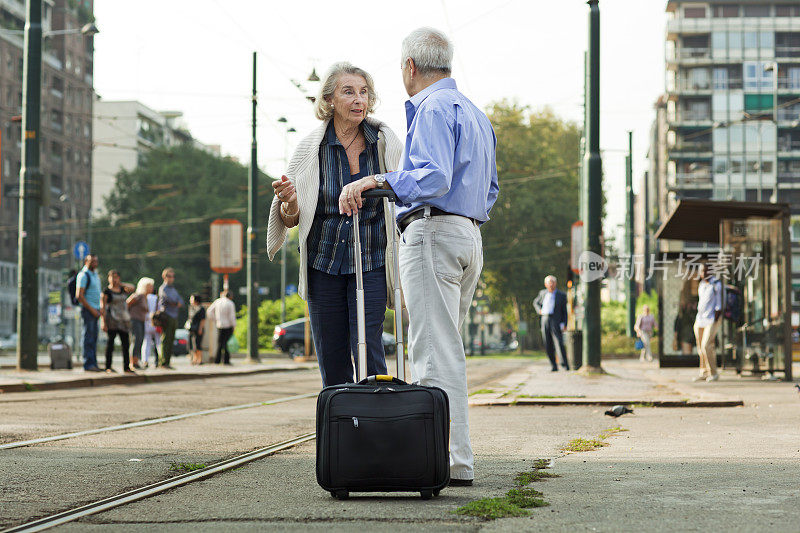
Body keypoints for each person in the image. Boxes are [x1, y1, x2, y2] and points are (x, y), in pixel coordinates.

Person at [337, 28, 499, 487]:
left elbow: (432, 176)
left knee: (433, 354)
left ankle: (443, 462)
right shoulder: (475, 114)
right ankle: (454, 458)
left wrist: (372, 182)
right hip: (469, 237)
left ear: (410, 67)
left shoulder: (430, 109)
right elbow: (491, 188)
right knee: (448, 349)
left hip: (433, 233)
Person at [266, 61, 403, 387]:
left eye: (364, 92)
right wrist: (290, 202)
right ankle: (343, 424)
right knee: (331, 352)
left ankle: (376, 418)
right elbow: (293, 218)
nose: (359, 100)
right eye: (349, 92)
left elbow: (405, 183)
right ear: (329, 100)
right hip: (322, 264)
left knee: (368, 345)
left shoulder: (383, 140)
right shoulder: (311, 147)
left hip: (370, 260)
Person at [101, 270, 135, 373]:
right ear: (108, 278)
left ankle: (126, 366)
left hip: (124, 319)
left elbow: (133, 288)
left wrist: (121, 284)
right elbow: (103, 307)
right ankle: (108, 366)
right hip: (112, 320)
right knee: (110, 343)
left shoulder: (123, 289)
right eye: (112, 277)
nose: (114, 279)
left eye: (116, 277)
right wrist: (103, 322)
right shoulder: (106, 291)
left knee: (125, 344)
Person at [533, 275, 569, 371]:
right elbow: (535, 302)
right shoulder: (542, 293)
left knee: (559, 343)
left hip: (556, 320)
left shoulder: (561, 295)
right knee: (547, 343)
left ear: (555, 283)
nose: (551, 284)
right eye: (549, 282)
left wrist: (564, 323)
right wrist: (539, 310)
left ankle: (564, 364)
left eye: (553, 282)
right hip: (545, 319)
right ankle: (553, 365)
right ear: (546, 284)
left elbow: (565, 311)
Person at [693, 262, 722, 382]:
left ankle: (714, 373)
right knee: (700, 347)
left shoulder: (716, 284)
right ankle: (704, 372)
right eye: (701, 271)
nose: (704, 273)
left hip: (711, 319)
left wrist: (715, 319)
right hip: (700, 319)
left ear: (711, 271)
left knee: (707, 345)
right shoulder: (701, 285)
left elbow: (719, 305)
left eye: (706, 271)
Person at [75, 254, 103, 372]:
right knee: (88, 337)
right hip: (88, 310)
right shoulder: (83, 275)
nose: (95, 263)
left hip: (96, 310)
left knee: (94, 337)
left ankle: (93, 363)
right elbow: (79, 296)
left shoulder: (95, 275)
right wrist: (92, 309)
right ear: (86, 262)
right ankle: (88, 364)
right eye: (92, 261)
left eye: (96, 261)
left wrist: (99, 308)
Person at [158, 267, 183, 369]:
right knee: (166, 339)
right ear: (164, 277)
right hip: (167, 315)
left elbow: (180, 301)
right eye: (169, 276)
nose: (171, 278)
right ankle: (163, 362)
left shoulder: (173, 289)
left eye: (172, 276)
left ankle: (167, 361)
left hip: (174, 315)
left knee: (171, 339)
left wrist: (176, 303)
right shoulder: (163, 288)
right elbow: (169, 300)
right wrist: (175, 303)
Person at [127, 277, 152, 370]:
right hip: (134, 320)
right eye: (150, 286)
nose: (152, 288)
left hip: (141, 321)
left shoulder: (145, 297)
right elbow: (127, 303)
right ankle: (132, 362)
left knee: (140, 341)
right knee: (136, 340)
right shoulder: (138, 295)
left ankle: (136, 361)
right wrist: (127, 316)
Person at [207, 290, 236, 365]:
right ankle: (226, 360)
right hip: (228, 325)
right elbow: (232, 316)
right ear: (230, 296)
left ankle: (217, 359)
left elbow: (209, 311)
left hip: (219, 325)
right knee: (225, 343)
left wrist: (215, 319)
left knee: (220, 343)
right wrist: (234, 326)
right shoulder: (230, 303)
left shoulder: (217, 301)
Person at [141, 278, 159, 368]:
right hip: (154, 322)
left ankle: (145, 360)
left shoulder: (143, 297)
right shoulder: (155, 298)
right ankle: (159, 360)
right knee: (158, 342)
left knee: (146, 343)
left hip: (146, 322)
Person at [186, 293, 206, 365]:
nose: (190, 300)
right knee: (192, 344)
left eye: (192, 298)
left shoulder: (201, 309)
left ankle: (199, 359)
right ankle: (194, 359)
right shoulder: (191, 308)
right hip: (191, 328)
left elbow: (203, 320)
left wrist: (200, 328)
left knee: (198, 344)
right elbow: (189, 318)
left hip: (198, 328)